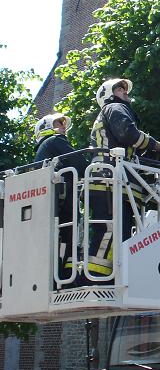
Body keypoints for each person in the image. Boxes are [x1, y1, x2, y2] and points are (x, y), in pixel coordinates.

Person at [86, 78, 160, 282]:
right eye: (119, 88)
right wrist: (154, 144)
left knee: (116, 233)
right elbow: (128, 133)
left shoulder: (112, 110)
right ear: (108, 94)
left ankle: (109, 276)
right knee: (109, 232)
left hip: (114, 181)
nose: (125, 91)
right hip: (110, 181)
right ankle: (97, 278)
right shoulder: (115, 108)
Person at [34, 113, 88, 279]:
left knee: (65, 243)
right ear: (47, 128)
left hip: (53, 205)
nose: (64, 126)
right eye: (59, 123)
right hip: (63, 206)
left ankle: (65, 276)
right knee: (67, 241)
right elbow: (80, 163)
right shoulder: (55, 141)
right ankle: (65, 278)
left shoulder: (43, 150)